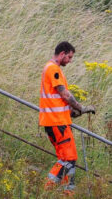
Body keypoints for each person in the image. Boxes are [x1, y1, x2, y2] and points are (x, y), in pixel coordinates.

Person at [39, 42, 95, 195]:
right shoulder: (52, 69)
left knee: (68, 158)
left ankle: (67, 193)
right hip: (56, 122)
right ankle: (47, 190)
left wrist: (71, 112)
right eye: (69, 57)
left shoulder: (52, 69)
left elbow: (56, 99)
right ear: (62, 54)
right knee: (68, 157)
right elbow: (64, 94)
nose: (70, 60)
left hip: (58, 120)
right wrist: (80, 107)